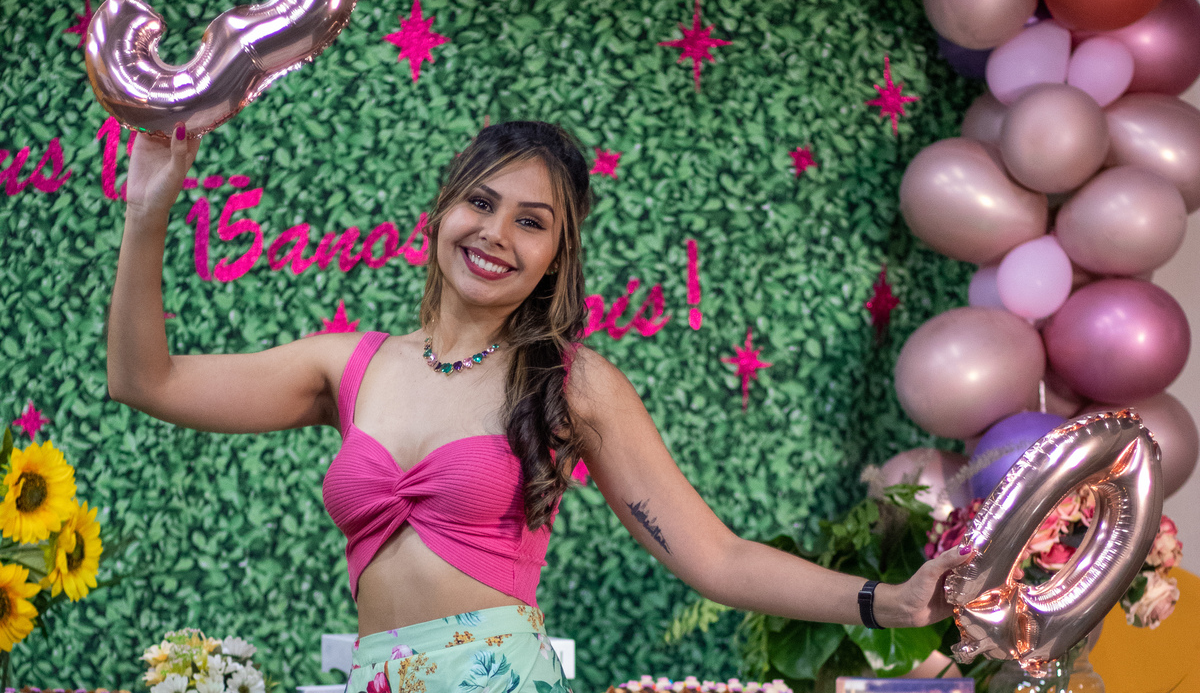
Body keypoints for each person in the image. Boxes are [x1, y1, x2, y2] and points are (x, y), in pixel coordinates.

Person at [108, 120, 970, 693]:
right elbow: (146, 381)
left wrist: (886, 603)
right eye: (481, 202)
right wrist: (148, 212)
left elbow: (716, 557)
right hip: (373, 677)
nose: (495, 234)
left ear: (557, 254)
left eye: (531, 221)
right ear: (442, 211)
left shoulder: (569, 382)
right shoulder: (348, 365)